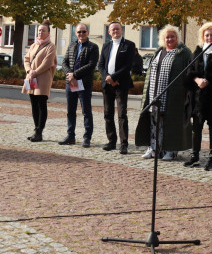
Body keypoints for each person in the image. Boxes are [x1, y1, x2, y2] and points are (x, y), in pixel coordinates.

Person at [135, 25, 192, 160]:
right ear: (163, 39)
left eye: (173, 36)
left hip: (173, 96)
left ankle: (171, 150)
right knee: (154, 122)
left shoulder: (183, 53)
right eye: (167, 37)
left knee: (170, 123)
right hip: (154, 94)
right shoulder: (159, 51)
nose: (170, 39)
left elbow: (189, 74)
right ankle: (154, 148)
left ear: (177, 38)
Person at [185, 23, 212, 171]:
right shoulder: (197, 51)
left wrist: (208, 80)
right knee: (196, 127)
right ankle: (195, 157)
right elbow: (189, 71)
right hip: (197, 96)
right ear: (202, 36)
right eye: (206, 35)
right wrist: (197, 80)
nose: (209, 37)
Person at [97, 21, 136, 153]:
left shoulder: (129, 45)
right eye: (112, 30)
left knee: (122, 114)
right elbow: (100, 65)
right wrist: (107, 77)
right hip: (107, 85)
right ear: (109, 32)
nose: (115, 31)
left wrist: (114, 77)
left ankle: (123, 144)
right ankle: (111, 141)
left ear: (122, 30)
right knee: (108, 114)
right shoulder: (106, 45)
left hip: (121, 84)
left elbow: (128, 65)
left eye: (117, 29)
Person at [59, 24, 100, 148]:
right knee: (70, 111)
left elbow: (91, 64)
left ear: (87, 32)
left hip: (84, 83)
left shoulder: (93, 47)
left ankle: (87, 137)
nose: (81, 34)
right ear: (75, 33)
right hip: (70, 83)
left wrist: (75, 75)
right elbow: (64, 62)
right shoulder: (72, 45)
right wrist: (70, 75)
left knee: (86, 111)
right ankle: (70, 136)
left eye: (83, 31)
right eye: (79, 32)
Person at [23, 19, 57, 142]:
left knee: (41, 104)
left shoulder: (51, 46)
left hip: (42, 78)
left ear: (48, 32)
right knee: (33, 104)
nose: (40, 32)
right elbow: (26, 59)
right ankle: (35, 129)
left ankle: (39, 132)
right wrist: (29, 71)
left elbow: (48, 63)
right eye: (39, 30)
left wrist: (35, 72)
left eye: (43, 30)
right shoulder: (34, 45)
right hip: (31, 77)